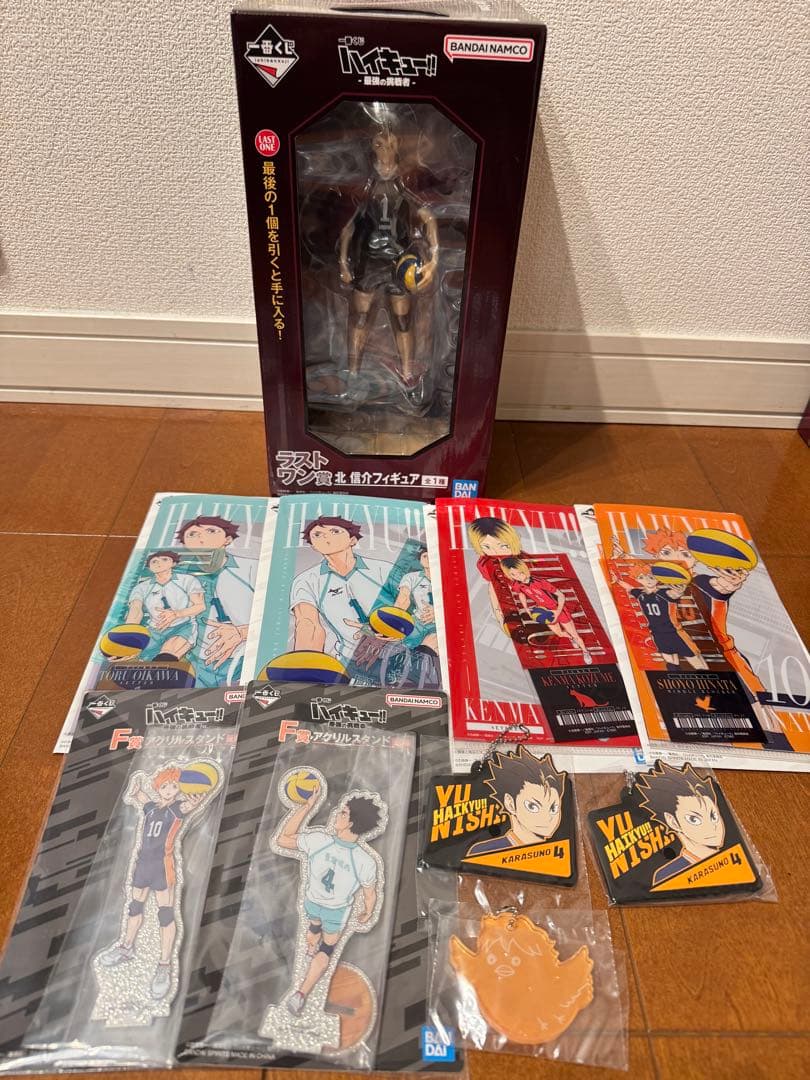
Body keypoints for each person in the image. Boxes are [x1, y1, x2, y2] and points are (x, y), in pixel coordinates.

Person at [338, 120, 438, 387]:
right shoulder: (366, 185)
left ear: (397, 148)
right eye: (379, 144)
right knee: (360, 317)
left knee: (403, 320)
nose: (385, 150)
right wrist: (344, 262)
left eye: (390, 145)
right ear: (372, 148)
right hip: (369, 262)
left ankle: (406, 372)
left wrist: (433, 258)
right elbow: (349, 227)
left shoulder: (403, 184)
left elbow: (428, 217)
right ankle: (353, 372)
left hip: (399, 262)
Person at [275, 781, 384, 1015]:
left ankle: (309, 954)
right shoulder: (365, 861)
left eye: (343, 812)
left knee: (314, 928)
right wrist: (368, 911)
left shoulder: (319, 841)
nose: (336, 813)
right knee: (326, 948)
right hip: (334, 912)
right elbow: (370, 893)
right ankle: (300, 994)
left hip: (313, 903)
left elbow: (284, 838)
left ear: (351, 823)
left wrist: (306, 807)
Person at [98, 767, 207, 998]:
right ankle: (126, 947)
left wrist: (195, 800)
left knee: (166, 914)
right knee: (134, 907)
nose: (169, 790)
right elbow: (139, 795)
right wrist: (137, 781)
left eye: (173, 786)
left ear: (178, 789)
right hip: (143, 864)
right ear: (159, 787)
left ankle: (164, 965)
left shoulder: (176, 809)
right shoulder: (151, 808)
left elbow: (188, 806)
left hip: (162, 866)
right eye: (165, 786)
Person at [290, 516, 393, 663]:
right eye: (317, 535)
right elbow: (308, 624)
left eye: (335, 531)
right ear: (313, 546)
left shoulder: (384, 569)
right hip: (350, 661)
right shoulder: (306, 580)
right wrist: (306, 667)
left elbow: (413, 606)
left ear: (353, 540)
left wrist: (388, 629)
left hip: (401, 655)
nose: (326, 536)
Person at [176, 514, 258, 678]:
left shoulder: (252, 567)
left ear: (228, 539)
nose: (201, 537)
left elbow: (278, 615)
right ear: (184, 544)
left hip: (245, 659)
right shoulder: (177, 576)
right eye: (192, 534)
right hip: (193, 662)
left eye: (211, 531)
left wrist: (242, 632)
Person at [635, 762, 726, 886]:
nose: (712, 827)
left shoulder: (735, 857)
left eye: (713, 816)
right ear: (673, 822)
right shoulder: (667, 875)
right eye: (694, 819)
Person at [466, 747, 565, 856]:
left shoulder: (560, 852)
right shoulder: (485, 851)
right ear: (510, 804)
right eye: (532, 806)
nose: (547, 818)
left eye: (553, 809)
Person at [613, 561, 708, 671]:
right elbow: (629, 588)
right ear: (637, 579)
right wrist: (618, 581)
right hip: (658, 634)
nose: (647, 580)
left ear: (658, 578)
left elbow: (676, 593)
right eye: (642, 577)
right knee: (671, 664)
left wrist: (681, 588)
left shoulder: (666, 593)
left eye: (651, 577)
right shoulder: (640, 594)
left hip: (675, 632)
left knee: (696, 660)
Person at [500, 556, 593, 664]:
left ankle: (585, 651)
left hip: (559, 610)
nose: (518, 576)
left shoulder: (540, 582)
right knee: (559, 633)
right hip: (544, 612)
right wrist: (526, 608)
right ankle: (570, 638)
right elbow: (521, 594)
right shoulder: (517, 584)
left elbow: (561, 595)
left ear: (524, 570)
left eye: (519, 573)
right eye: (513, 575)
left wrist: (557, 612)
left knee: (575, 635)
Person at [126, 551, 205, 661]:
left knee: (166, 657)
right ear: (149, 567)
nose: (159, 563)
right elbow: (135, 610)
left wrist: (177, 614)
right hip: (154, 630)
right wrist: (127, 635)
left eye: (164, 559)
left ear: (174, 563)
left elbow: (200, 606)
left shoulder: (188, 580)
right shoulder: (141, 587)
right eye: (154, 561)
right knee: (127, 653)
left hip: (183, 626)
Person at [466, 517, 526, 633]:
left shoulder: (523, 560)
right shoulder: (485, 563)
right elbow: (493, 587)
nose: (495, 552)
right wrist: (499, 615)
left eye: (503, 546)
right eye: (486, 547)